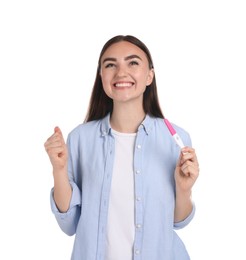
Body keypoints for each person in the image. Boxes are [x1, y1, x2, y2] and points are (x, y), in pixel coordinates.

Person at [44, 35, 199, 260]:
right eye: (110, 65)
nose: (121, 72)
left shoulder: (175, 138)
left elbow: (177, 222)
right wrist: (59, 170)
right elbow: (69, 224)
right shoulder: (80, 139)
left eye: (133, 62)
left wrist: (183, 188)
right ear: (101, 76)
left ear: (149, 76)